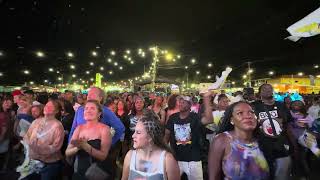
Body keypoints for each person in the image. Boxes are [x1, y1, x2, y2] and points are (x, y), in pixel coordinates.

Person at [208, 101, 269, 180]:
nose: (248, 116)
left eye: (251, 112)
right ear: (232, 120)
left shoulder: (261, 141)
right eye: (240, 113)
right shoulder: (222, 140)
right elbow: (213, 177)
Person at [164, 92, 213, 180]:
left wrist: (206, 99)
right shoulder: (173, 118)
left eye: (184, 102)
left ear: (190, 105)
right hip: (176, 159)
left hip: (194, 160)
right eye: (180, 102)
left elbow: (209, 119)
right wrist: (164, 152)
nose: (181, 103)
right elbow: (166, 135)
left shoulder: (195, 117)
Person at [251, 84, 295, 180]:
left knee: (282, 174)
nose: (267, 90)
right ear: (260, 92)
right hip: (262, 145)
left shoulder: (281, 105)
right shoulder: (254, 106)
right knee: (265, 173)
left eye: (270, 88)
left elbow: (288, 125)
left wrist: (293, 143)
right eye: (264, 89)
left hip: (281, 144)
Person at [122, 109, 180, 180]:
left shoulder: (167, 160)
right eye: (134, 131)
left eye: (138, 132)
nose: (133, 136)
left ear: (150, 137)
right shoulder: (130, 156)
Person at [66, 100, 112, 180]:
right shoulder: (79, 128)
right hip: (79, 172)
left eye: (92, 108)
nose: (88, 111)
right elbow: (67, 152)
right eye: (86, 109)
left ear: (99, 114)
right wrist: (78, 148)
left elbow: (103, 156)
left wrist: (86, 147)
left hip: (96, 174)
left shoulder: (104, 129)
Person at [23, 100, 65, 180]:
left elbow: (56, 147)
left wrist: (37, 150)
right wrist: (29, 145)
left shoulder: (58, 126)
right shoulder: (36, 121)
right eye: (46, 106)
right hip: (33, 161)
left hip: (49, 164)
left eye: (51, 107)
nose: (47, 108)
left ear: (56, 111)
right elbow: (27, 136)